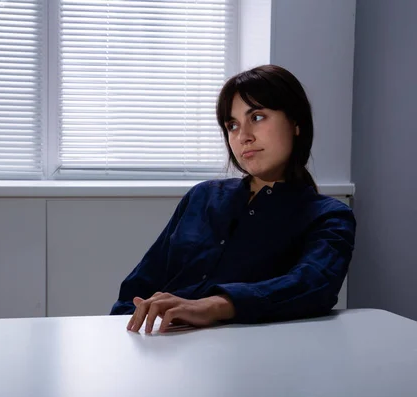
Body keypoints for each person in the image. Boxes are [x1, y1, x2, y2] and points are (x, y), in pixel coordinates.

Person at [110, 64, 356, 334]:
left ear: (296, 123)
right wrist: (122, 331)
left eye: (258, 117)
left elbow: (313, 284)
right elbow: (137, 289)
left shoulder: (329, 217)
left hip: (252, 357)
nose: (243, 137)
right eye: (232, 125)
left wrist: (214, 305)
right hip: (159, 346)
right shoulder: (202, 197)